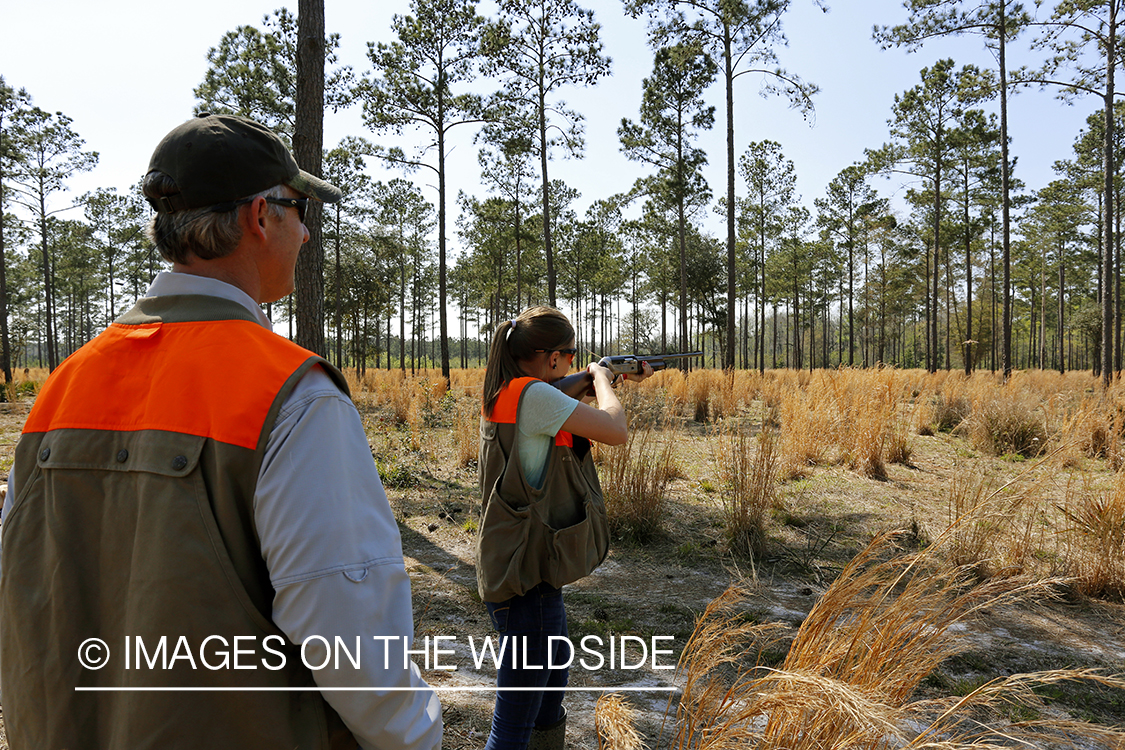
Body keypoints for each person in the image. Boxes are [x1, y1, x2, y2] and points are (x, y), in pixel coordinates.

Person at [0, 113, 442, 750]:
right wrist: (419, 738)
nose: (309, 231)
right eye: (298, 209)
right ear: (259, 217)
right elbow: (350, 642)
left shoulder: (65, 385)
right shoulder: (294, 395)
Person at [475, 306, 652, 750]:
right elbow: (615, 429)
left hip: (523, 562)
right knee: (511, 729)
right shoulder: (535, 398)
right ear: (552, 358)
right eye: (571, 357)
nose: (574, 364)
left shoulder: (509, 389)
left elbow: (554, 398)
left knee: (550, 689)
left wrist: (596, 379)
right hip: (526, 577)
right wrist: (602, 381)